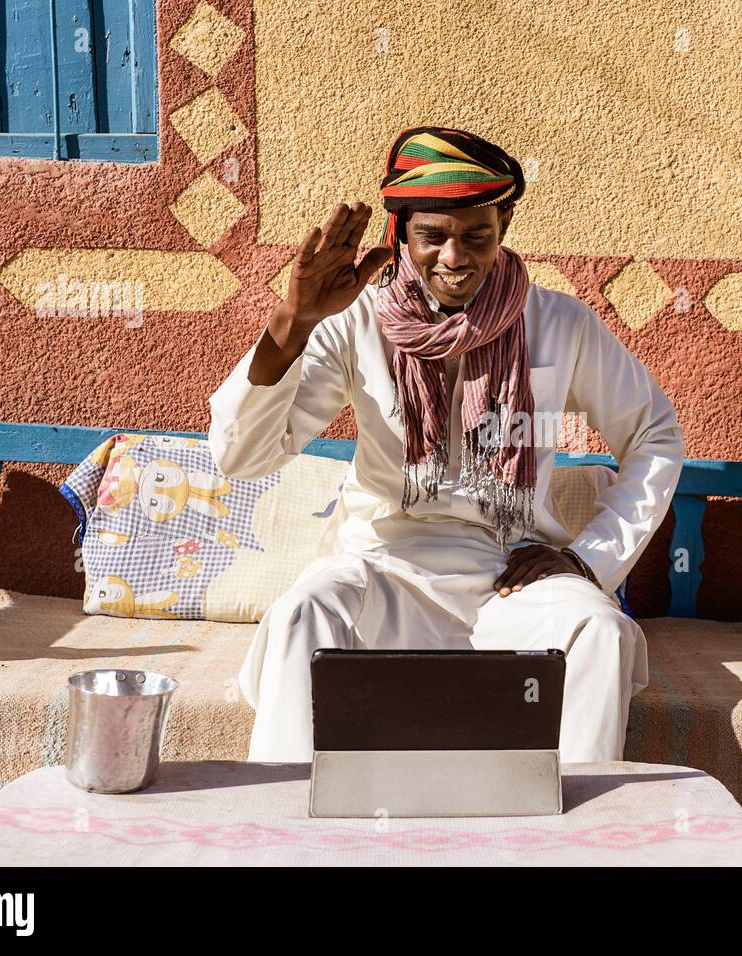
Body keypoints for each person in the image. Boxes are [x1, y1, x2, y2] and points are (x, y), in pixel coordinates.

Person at [207, 125, 685, 764]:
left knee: (598, 629)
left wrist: (589, 560)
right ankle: (287, 830)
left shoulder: (560, 324)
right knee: (303, 613)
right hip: (384, 565)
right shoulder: (355, 320)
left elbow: (654, 433)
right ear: (400, 233)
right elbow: (242, 457)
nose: (454, 258)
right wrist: (291, 323)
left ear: (504, 224)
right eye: (432, 236)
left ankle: (573, 842)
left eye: (476, 236)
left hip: (508, 575)